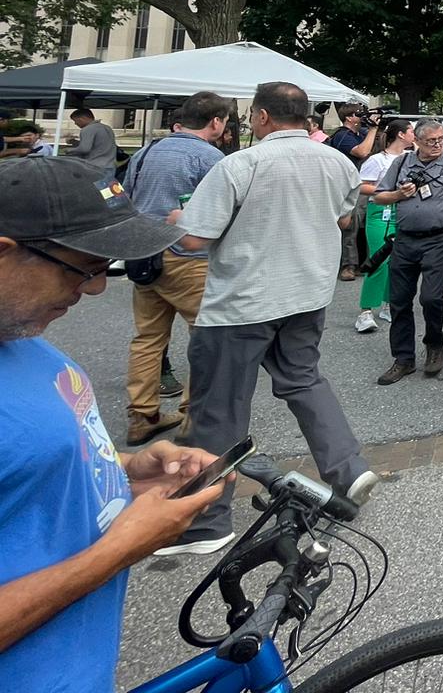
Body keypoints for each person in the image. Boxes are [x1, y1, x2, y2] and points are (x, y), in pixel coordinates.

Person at [0, 156, 229, 692]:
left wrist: (124, 468)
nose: (98, 289)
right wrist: (120, 549)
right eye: (85, 267)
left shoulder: (21, 336)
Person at [167, 81, 376, 553]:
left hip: (243, 303)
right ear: (304, 116)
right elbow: (344, 220)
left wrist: (175, 225)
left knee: (217, 407)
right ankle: (348, 467)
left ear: (261, 117)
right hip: (306, 294)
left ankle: (206, 522)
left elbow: (194, 241)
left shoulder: (241, 164)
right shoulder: (339, 162)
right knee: (304, 380)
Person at [121, 91, 229, 444]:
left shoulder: (145, 151)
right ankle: (192, 419)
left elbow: (126, 195)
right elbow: (223, 211)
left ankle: (142, 415)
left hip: (144, 254)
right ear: (216, 121)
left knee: (148, 338)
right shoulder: (211, 158)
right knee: (206, 338)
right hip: (189, 260)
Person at [372, 119, 443, 383]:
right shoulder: (401, 163)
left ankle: (434, 344)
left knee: (431, 298)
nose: (437, 145)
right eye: (431, 141)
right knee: (399, 300)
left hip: (439, 237)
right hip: (405, 239)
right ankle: (403, 359)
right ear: (416, 141)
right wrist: (399, 194)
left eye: (441, 139)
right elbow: (378, 196)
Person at [354, 118, 413, 333]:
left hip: (404, 212)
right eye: (411, 132)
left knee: (397, 263)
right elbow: (361, 186)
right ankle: (365, 310)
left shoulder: (411, 158)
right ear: (400, 134)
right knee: (380, 258)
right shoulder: (378, 160)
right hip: (381, 213)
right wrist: (388, 191)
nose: (413, 135)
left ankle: (389, 304)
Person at [326, 104, 378, 281]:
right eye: (359, 114)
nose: (362, 117)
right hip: (347, 187)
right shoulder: (342, 135)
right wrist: (372, 129)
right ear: (349, 117)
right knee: (351, 226)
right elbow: (362, 152)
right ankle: (348, 265)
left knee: (365, 225)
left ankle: (363, 262)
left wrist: (376, 126)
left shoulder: (361, 133)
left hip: (363, 184)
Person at [64, 108, 117, 176]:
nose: (75, 123)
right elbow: (99, 144)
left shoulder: (87, 129)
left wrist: (69, 150)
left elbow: (84, 149)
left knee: (91, 186)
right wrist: (75, 142)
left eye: (75, 121)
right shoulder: (107, 128)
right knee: (110, 186)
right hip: (110, 165)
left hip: (95, 167)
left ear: (82, 118)